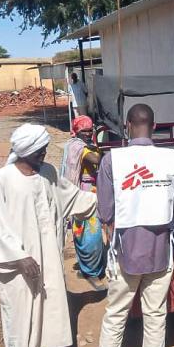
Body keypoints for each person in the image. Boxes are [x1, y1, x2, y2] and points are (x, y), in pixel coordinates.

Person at [0, 124, 97, 347]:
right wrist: (19, 258)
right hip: (16, 263)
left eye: (44, 148)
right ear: (25, 150)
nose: (44, 153)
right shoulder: (3, 179)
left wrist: (105, 200)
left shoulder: (48, 173)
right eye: (39, 149)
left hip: (47, 258)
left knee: (44, 309)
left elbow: (71, 198)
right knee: (20, 314)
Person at [86, 103, 174, 347]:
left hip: (124, 253)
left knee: (115, 317)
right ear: (154, 127)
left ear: (127, 126)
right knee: (155, 319)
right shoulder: (172, 159)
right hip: (160, 254)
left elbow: (105, 211)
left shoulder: (112, 160)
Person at [60, 115, 106, 284]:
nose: (88, 134)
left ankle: (89, 266)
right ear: (77, 131)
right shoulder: (79, 147)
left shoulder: (85, 146)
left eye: (90, 130)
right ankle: (92, 272)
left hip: (91, 190)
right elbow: (97, 160)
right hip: (84, 193)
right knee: (90, 233)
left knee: (85, 231)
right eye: (84, 131)